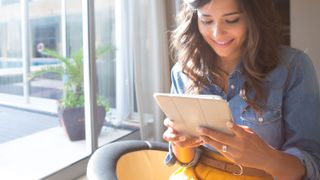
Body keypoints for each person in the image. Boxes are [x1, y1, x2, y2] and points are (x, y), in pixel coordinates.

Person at [162, 0, 320, 179]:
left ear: (254, 18)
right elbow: (186, 161)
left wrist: (267, 158)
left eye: (231, 20)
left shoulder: (293, 67)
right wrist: (180, 141)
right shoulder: (183, 71)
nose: (217, 33)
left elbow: (312, 165)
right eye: (206, 21)